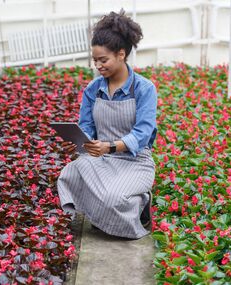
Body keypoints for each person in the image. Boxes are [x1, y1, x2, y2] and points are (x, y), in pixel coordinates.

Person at [57, 10, 157, 239]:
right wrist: (81, 143)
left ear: (121, 54)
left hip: (135, 161)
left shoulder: (144, 89)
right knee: (69, 174)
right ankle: (105, 213)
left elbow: (142, 134)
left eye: (103, 60)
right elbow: (87, 128)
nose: (98, 66)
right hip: (101, 159)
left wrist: (110, 146)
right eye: (95, 61)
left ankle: (141, 202)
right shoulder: (93, 89)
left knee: (113, 198)